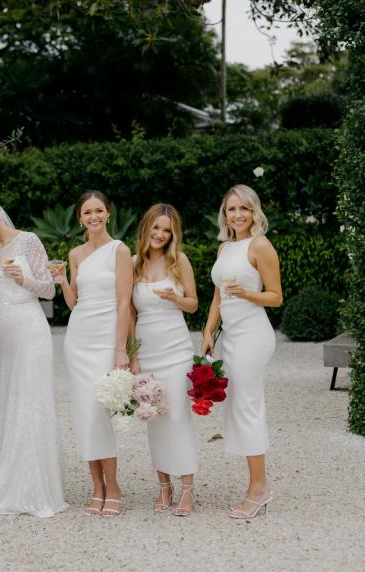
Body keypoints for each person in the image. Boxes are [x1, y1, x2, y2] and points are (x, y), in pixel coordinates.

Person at [0, 194, 67, 518]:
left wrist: (23, 279)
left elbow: (50, 290)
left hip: (29, 327)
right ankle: (11, 483)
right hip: (2, 334)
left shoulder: (28, 240)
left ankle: (37, 491)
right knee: (9, 405)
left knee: (32, 403)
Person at [200, 184, 282, 519]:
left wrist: (247, 294)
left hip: (253, 335)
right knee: (237, 406)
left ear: (254, 212)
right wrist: (208, 331)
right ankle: (254, 485)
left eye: (244, 209)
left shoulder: (260, 245)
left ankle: (260, 489)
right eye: (232, 209)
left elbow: (276, 296)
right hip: (230, 337)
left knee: (248, 407)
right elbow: (218, 297)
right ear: (225, 213)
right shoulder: (224, 249)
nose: (237, 215)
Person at [52, 190, 133, 517]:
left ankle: (112, 486)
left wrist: (120, 348)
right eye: (87, 212)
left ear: (108, 214)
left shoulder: (120, 250)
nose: (94, 216)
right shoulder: (75, 254)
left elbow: (124, 302)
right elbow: (73, 302)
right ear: (80, 218)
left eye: (99, 210)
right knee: (84, 413)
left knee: (100, 413)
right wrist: (61, 280)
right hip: (79, 336)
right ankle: (96, 487)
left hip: (105, 337)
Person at [128, 204, 199, 517]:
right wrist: (132, 356)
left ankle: (187, 487)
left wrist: (176, 299)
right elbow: (129, 313)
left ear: (173, 234)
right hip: (147, 350)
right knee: (153, 418)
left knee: (177, 417)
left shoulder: (178, 260)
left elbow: (194, 305)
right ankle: (164, 487)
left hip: (176, 349)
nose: (160, 235)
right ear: (146, 228)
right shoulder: (134, 264)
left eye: (166, 230)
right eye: (156, 228)